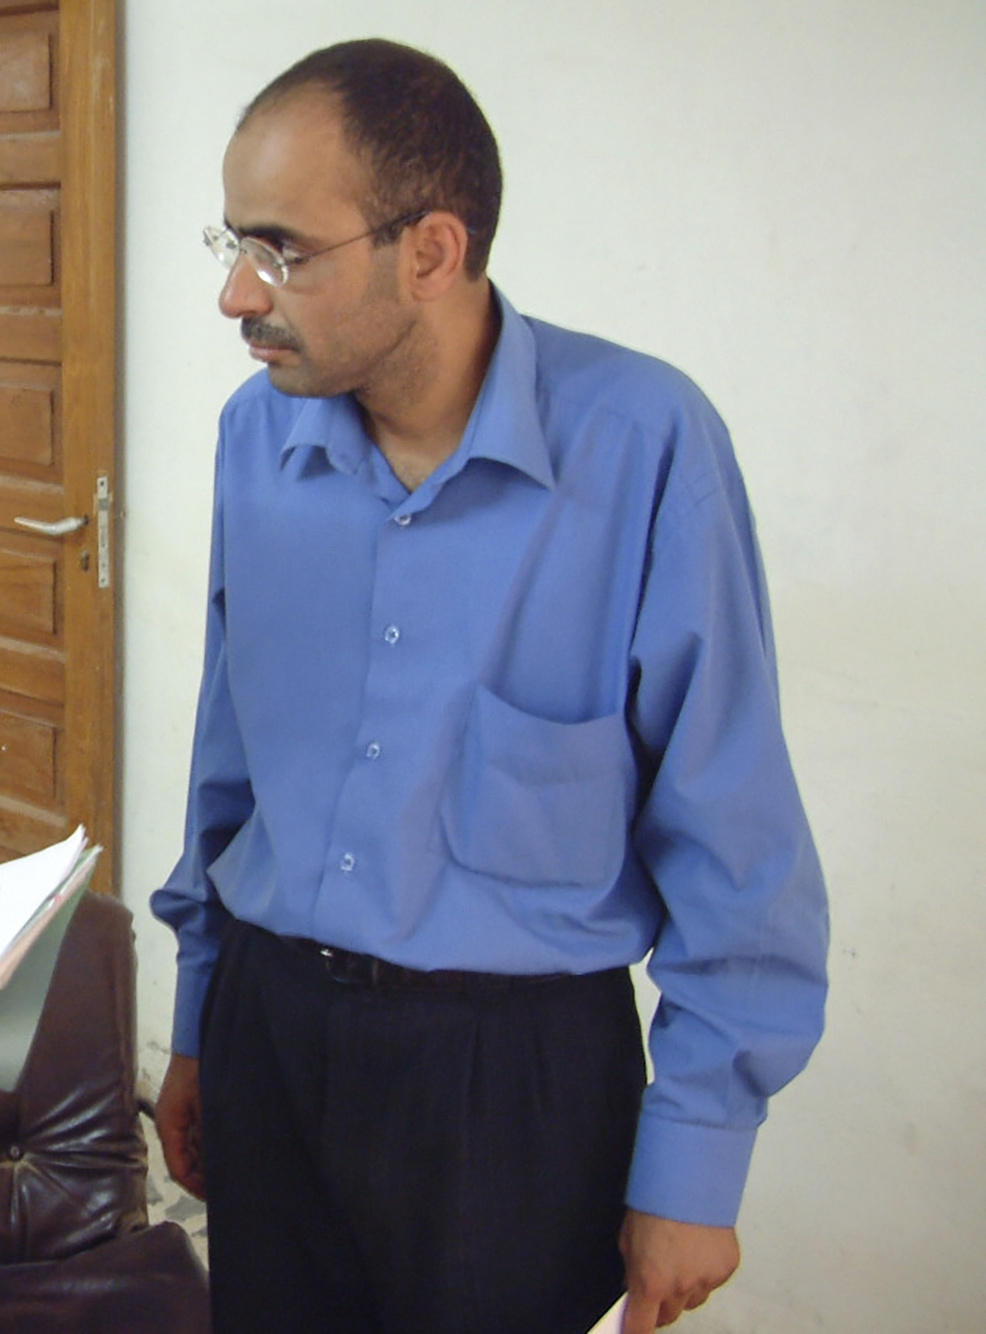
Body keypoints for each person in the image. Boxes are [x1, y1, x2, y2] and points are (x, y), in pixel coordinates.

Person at [150, 39, 828, 1334]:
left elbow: (733, 833)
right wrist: (199, 1017)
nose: (239, 292)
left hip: (505, 1083)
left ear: (432, 249)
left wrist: (694, 1161)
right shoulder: (258, 438)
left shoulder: (642, 445)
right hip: (273, 1030)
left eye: (283, 248)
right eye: (230, 241)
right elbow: (228, 765)